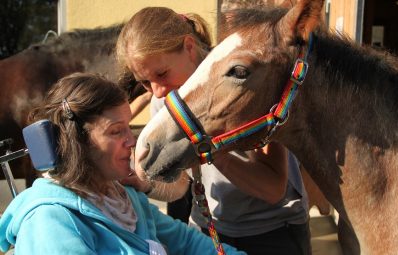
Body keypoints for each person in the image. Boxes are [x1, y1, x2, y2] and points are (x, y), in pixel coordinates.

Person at [116, 7, 311, 255]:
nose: (156, 91)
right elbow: (180, 185)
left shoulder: (240, 78)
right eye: (145, 82)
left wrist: (207, 148)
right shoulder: (165, 101)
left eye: (162, 73)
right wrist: (145, 185)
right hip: (209, 230)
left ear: (189, 47)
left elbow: (273, 188)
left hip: (271, 231)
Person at [0, 73, 245, 255]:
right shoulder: (50, 222)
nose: (131, 141)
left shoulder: (123, 197)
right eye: (116, 131)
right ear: (77, 143)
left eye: (129, 127)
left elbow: (188, 243)